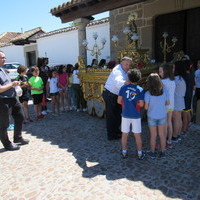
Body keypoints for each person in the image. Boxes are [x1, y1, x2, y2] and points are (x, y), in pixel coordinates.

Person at [0, 50, 29, 151]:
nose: (4, 59)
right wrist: (12, 84)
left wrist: (15, 83)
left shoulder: (2, 69)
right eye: (2, 58)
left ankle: (18, 137)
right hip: (3, 100)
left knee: (20, 116)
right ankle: (7, 144)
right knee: (4, 124)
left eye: (4, 57)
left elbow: (6, 84)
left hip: (12, 97)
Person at [117, 68, 145, 159]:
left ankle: (124, 152)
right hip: (136, 115)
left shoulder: (123, 88)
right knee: (137, 135)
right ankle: (140, 153)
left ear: (128, 77)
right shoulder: (140, 90)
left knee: (124, 134)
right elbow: (141, 104)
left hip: (125, 114)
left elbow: (119, 101)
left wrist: (126, 104)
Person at [102, 56, 132, 140]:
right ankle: (111, 135)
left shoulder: (125, 70)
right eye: (126, 64)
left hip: (117, 95)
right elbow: (118, 82)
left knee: (118, 114)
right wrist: (127, 83)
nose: (128, 66)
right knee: (111, 115)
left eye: (129, 64)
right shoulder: (117, 70)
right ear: (121, 63)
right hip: (110, 94)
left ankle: (116, 130)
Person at [145, 73, 170, 158]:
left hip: (152, 116)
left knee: (153, 135)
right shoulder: (165, 91)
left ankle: (152, 152)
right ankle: (163, 152)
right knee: (162, 135)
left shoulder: (148, 93)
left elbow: (146, 107)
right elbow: (168, 103)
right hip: (162, 115)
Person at [159, 63, 175, 148]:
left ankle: (163, 141)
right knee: (169, 122)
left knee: (164, 124)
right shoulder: (172, 81)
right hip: (171, 105)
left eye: (161, 71)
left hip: (164, 105)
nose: (159, 73)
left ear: (165, 72)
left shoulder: (163, 82)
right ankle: (169, 141)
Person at [172, 61, 186, 142]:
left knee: (176, 119)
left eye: (174, 67)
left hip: (177, 100)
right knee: (179, 118)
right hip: (180, 100)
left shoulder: (176, 79)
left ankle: (175, 135)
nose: (172, 69)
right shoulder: (181, 78)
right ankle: (178, 134)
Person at [182, 60, 195, 133]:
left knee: (185, 113)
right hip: (189, 94)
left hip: (185, 96)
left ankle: (184, 129)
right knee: (187, 111)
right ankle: (187, 127)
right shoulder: (191, 74)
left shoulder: (185, 76)